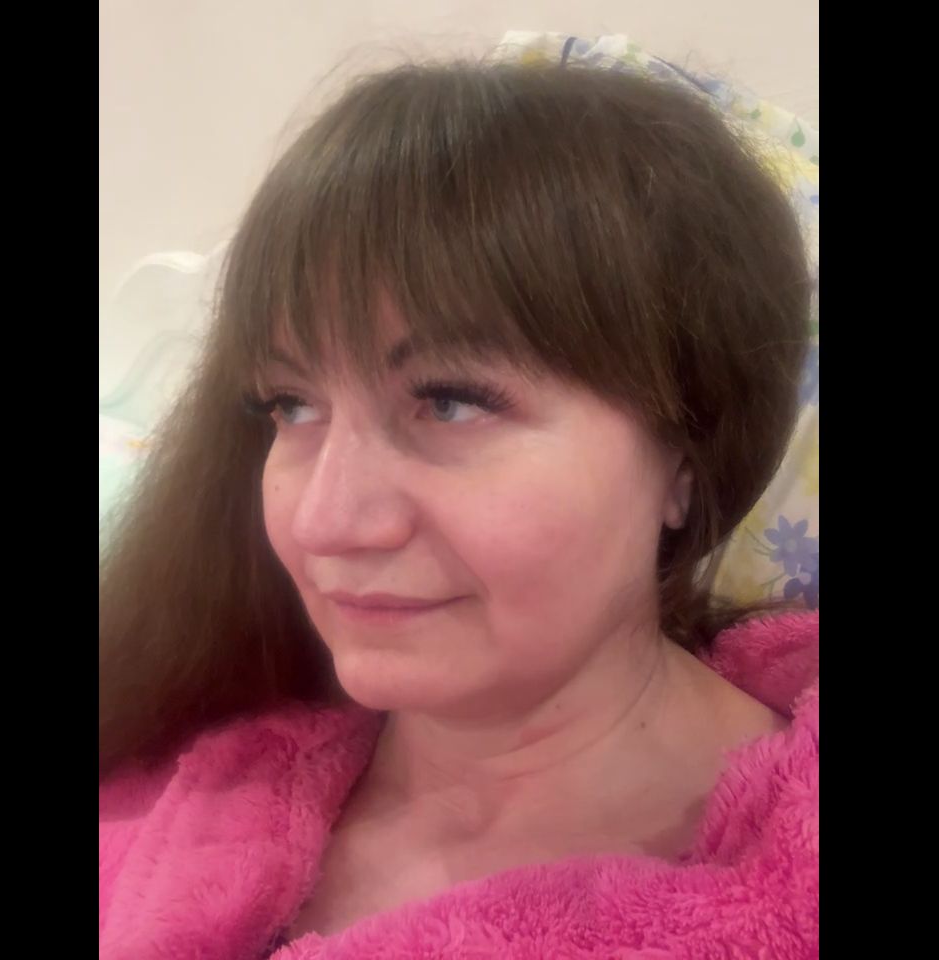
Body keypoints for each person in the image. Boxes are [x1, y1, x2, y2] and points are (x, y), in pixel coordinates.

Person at [99, 60, 818, 960]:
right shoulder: (172, 792)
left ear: (685, 454)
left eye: (449, 402)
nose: (323, 521)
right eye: (291, 405)